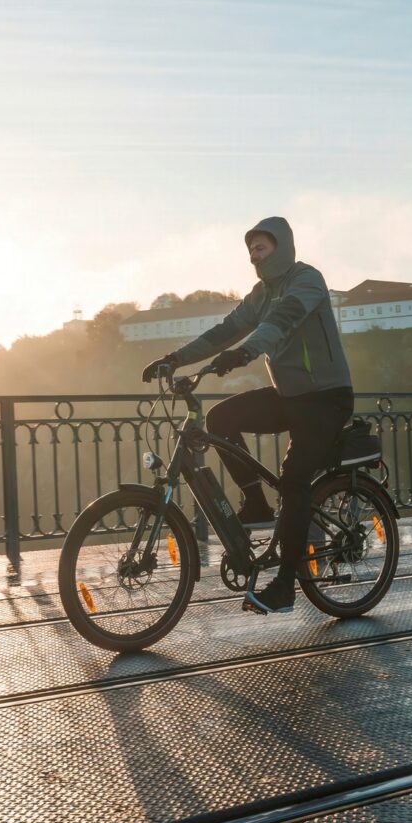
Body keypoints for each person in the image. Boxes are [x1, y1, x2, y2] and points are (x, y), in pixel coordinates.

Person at [141, 217, 352, 615]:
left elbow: (280, 323)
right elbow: (226, 329)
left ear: (283, 247)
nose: (255, 256)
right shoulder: (260, 293)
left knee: (293, 481)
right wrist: (175, 359)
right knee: (221, 419)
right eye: (251, 250)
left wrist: (245, 352)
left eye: (262, 248)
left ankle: (286, 586)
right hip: (291, 396)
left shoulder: (307, 280)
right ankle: (255, 502)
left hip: (326, 398)